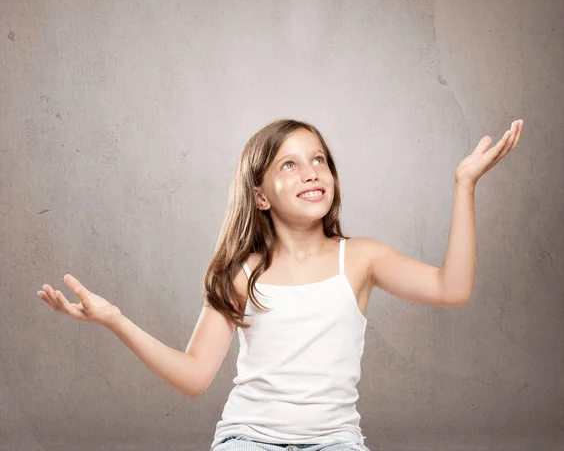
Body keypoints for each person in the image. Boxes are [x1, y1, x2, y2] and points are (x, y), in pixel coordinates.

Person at [37, 117, 523, 451]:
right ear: (260, 195)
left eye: (318, 160)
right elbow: (194, 376)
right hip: (247, 440)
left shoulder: (362, 258)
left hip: (336, 441)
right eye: (288, 164)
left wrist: (464, 185)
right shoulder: (240, 273)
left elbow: (451, 288)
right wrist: (116, 321)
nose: (311, 172)